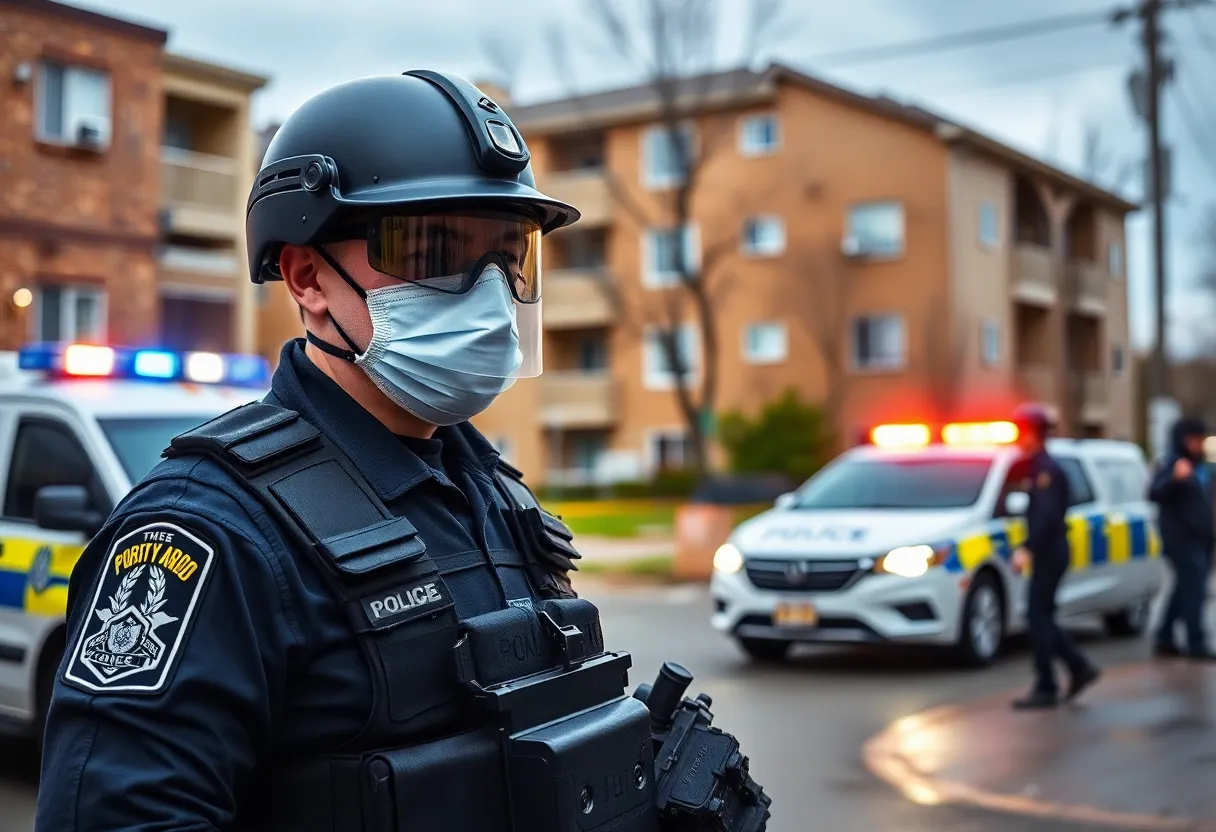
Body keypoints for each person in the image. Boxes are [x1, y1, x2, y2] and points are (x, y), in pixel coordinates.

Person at [35, 72, 683, 832]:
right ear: (308, 276)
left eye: (509, 256)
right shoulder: (211, 532)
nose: (487, 293)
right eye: (433, 246)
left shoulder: (494, 497)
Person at [1007, 404, 1100, 710]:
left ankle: (1047, 685)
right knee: (1041, 616)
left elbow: (1046, 517)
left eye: (1021, 432)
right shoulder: (1037, 467)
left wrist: (1026, 548)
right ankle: (1078, 668)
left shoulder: (1046, 470)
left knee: (1038, 616)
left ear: (1033, 434)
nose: (1017, 439)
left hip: (1050, 551)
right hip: (1050, 550)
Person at [1148, 417, 1216, 660]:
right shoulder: (1171, 464)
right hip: (1182, 539)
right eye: (1193, 440)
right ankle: (1196, 644)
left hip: (1202, 538)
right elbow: (1153, 492)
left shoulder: (1201, 467)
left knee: (1184, 589)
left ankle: (1164, 637)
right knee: (1195, 591)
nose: (1198, 445)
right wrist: (1174, 478)